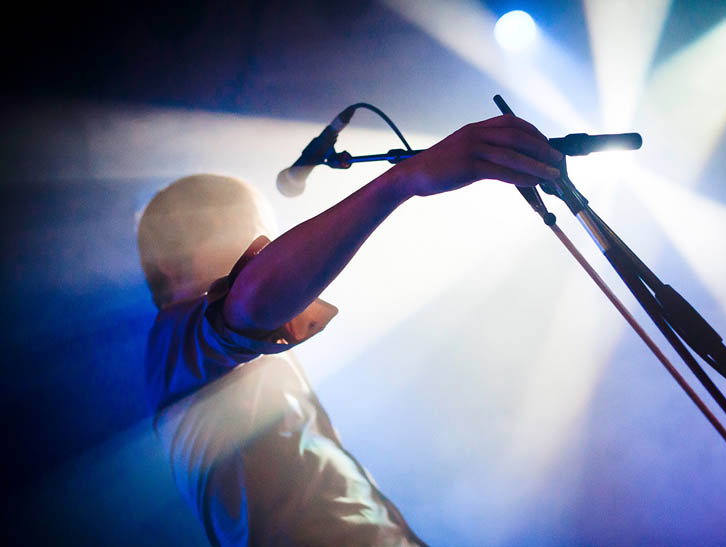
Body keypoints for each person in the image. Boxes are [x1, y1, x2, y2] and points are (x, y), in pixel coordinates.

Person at [137, 114, 564, 545]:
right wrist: (402, 180)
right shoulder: (172, 345)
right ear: (172, 262)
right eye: (249, 234)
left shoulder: (247, 357)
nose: (268, 247)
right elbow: (252, 297)